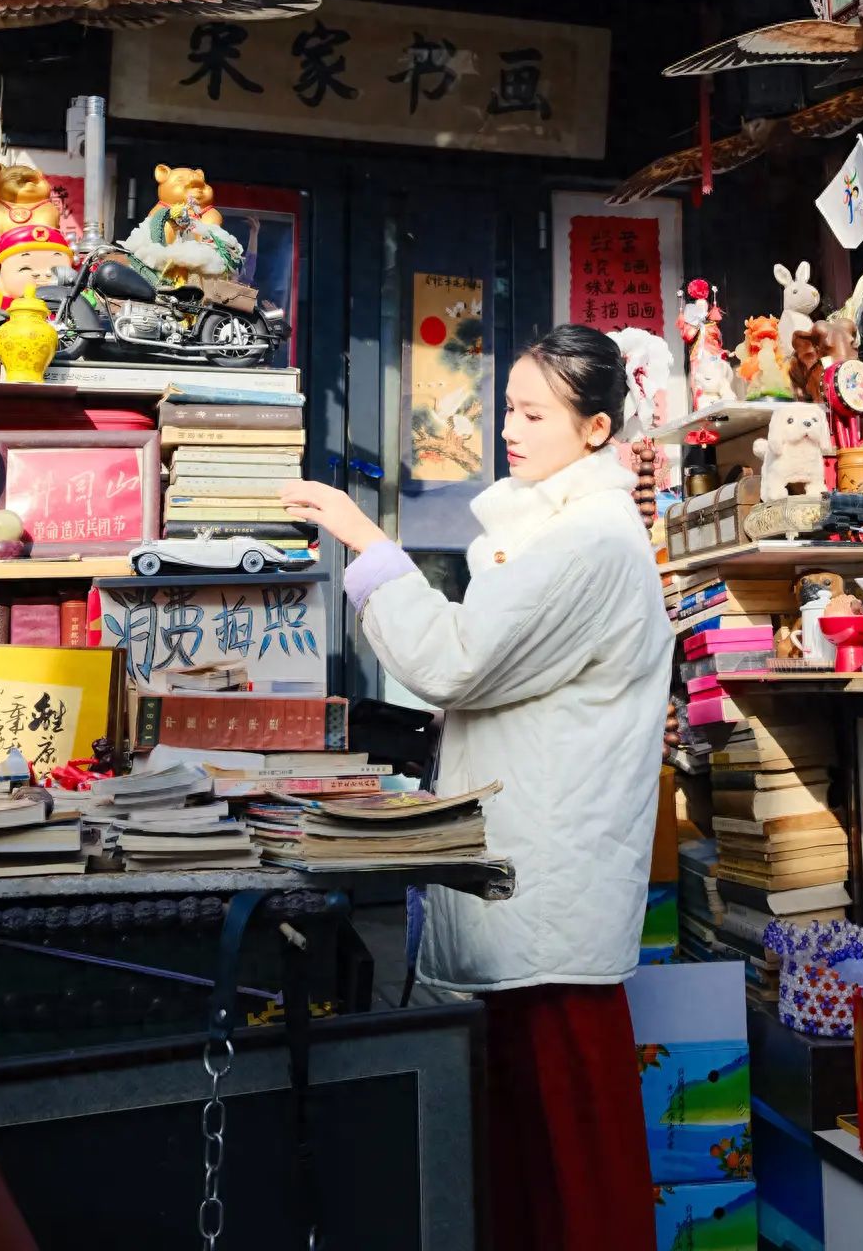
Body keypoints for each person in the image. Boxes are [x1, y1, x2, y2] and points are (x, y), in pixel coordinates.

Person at [282, 324, 671, 1251]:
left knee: (571, 1148)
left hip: (550, 882)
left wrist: (367, 540)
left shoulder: (587, 541)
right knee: (534, 1141)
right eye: (509, 409)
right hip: (536, 871)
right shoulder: (561, 527)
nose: (511, 429)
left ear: (597, 430)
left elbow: (455, 661)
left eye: (535, 414)